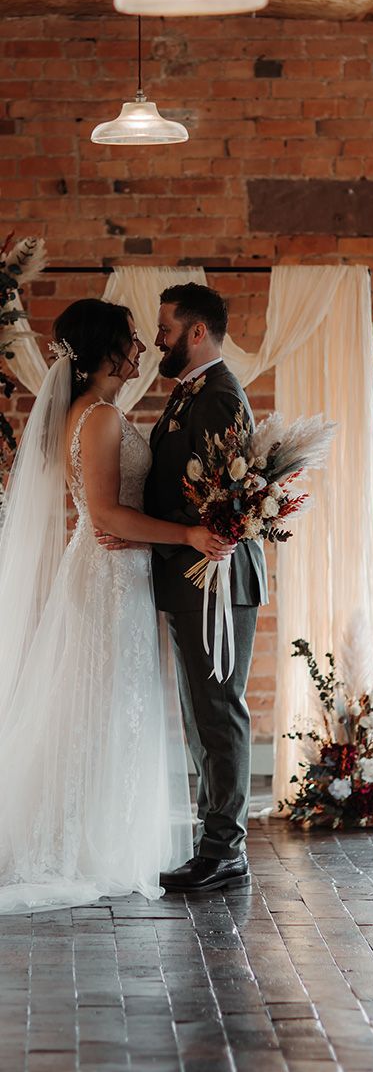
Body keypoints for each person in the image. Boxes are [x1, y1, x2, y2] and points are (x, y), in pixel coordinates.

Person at [0, 298, 231, 914]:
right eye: (132, 338)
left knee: (107, 704)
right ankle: (80, 843)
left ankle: (103, 832)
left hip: (119, 569)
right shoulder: (99, 417)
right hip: (107, 572)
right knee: (104, 702)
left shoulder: (97, 411)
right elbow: (102, 514)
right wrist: (187, 534)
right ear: (105, 350)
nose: (142, 348)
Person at [146, 282, 268, 892]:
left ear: (198, 332)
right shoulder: (189, 393)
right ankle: (213, 839)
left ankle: (226, 849)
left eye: (166, 327)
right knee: (201, 711)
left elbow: (222, 506)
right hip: (188, 575)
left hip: (214, 578)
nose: (158, 337)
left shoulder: (218, 396)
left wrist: (171, 536)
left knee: (218, 710)